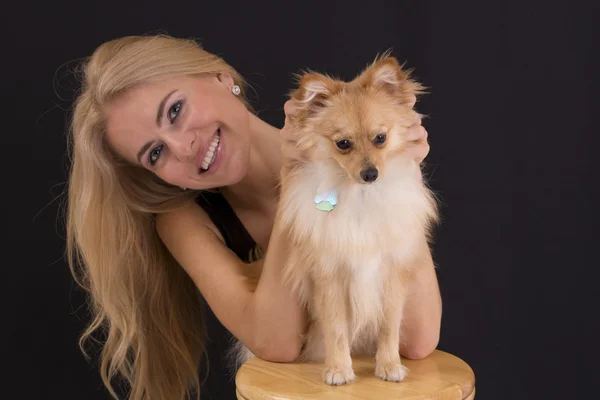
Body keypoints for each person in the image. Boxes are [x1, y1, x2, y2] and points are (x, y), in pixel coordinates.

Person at [65, 34, 441, 400]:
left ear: (221, 78)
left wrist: (401, 171)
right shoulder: (185, 222)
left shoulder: (351, 129)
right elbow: (276, 343)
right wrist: (293, 178)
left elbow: (418, 339)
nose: (182, 147)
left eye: (175, 111)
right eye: (155, 153)